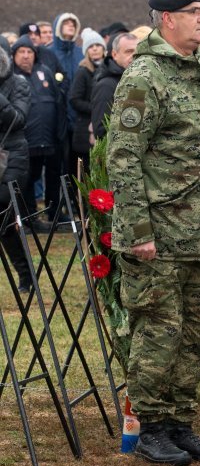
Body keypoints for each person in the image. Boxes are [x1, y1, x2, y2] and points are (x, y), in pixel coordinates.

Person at [106, 0, 200, 466]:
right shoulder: (146, 75)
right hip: (157, 234)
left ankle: (180, 422)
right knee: (159, 331)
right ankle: (152, 425)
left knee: (196, 333)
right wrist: (138, 232)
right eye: (194, 12)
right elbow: (124, 158)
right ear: (167, 19)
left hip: (199, 233)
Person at [13, 34, 65, 224]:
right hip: (27, 140)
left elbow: (58, 101)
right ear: (14, 55)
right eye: (21, 52)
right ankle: (29, 215)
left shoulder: (44, 72)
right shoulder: (11, 77)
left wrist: (60, 131)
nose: (26, 56)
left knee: (53, 176)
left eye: (29, 52)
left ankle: (55, 212)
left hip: (50, 138)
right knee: (28, 178)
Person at [0, 44, 33, 293]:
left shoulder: (18, 84)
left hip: (12, 156)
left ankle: (25, 275)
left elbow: (18, 119)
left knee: (4, 213)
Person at [67, 29, 105, 173]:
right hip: (85, 128)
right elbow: (74, 99)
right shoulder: (82, 71)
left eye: (98, 45)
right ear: (86, 51)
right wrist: (97, 109)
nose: (95, 49)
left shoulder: (108, 69)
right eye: (90, 46)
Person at [91, 33, 138, 139]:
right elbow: (101, 131)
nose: (134, 56)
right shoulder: (106, 86)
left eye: (137, 52)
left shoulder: (138, 81)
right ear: (115, 54)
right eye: (128, 52)